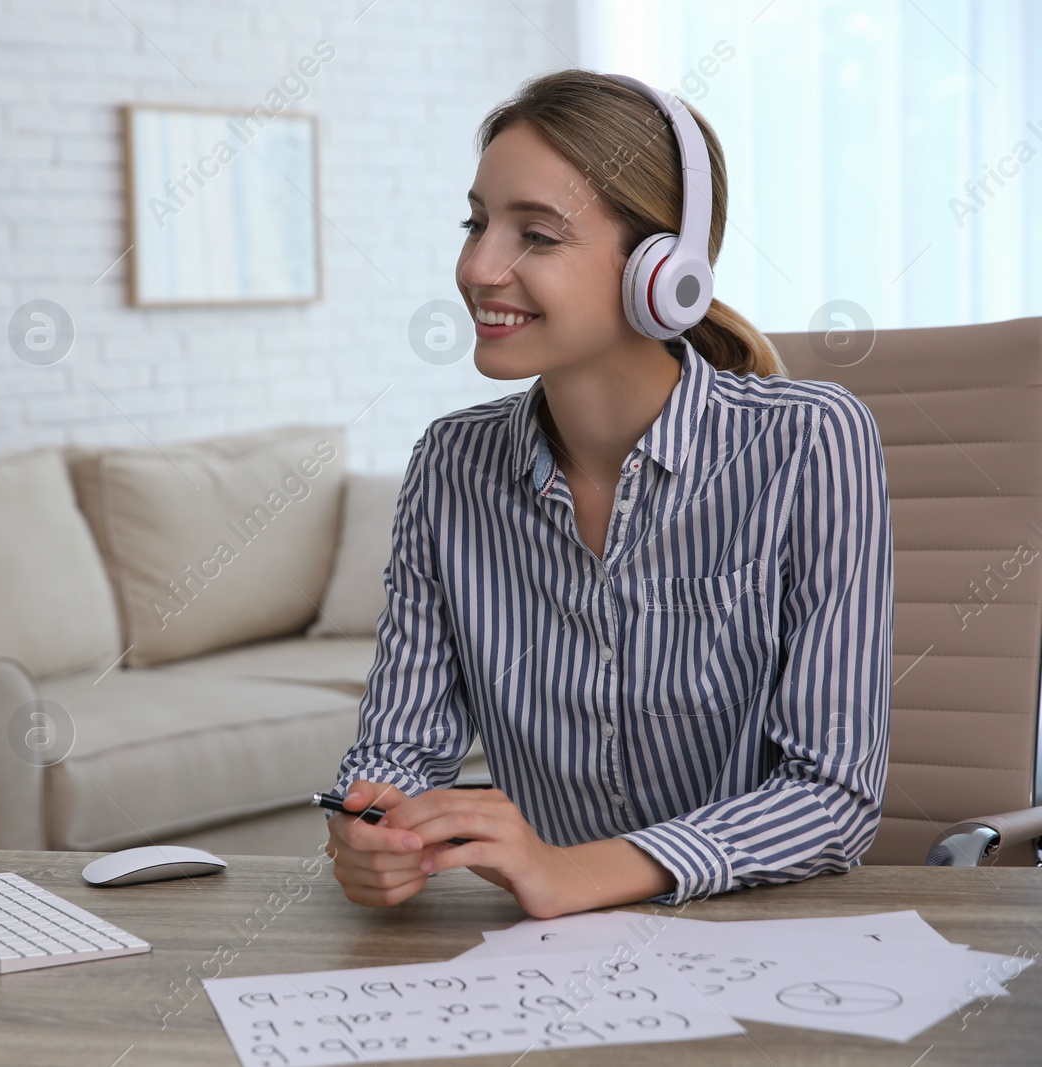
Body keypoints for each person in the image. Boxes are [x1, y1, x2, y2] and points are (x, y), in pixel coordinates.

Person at [327, 69, 894, 918]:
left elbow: (833, 794)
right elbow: (401, 746)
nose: (479, 267)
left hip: (760, 936)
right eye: (476, 223)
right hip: (543, 956)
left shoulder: (810, 440)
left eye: (538, 237)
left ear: (663, 273)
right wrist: (375, 827)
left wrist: (577, 873)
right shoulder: (451, 464)